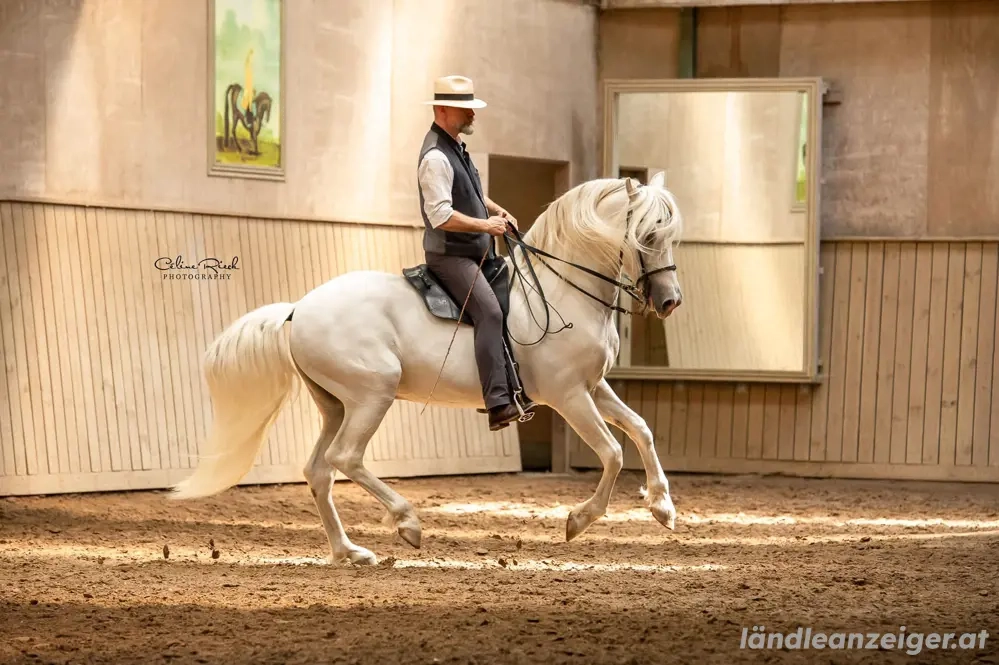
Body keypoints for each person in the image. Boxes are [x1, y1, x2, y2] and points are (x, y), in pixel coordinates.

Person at [417, 75, 533, 431]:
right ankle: (497, 402)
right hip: (451, 257)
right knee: (489, 312)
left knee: (510, 304)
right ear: (442, 110)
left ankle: (515, 385)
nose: (472, 114)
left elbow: (471, 193)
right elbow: (440, 216)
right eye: (464, 109)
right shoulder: (435, 157)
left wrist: (497, 210)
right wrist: (486, 226)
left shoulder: (455, 148)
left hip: (474, 252)